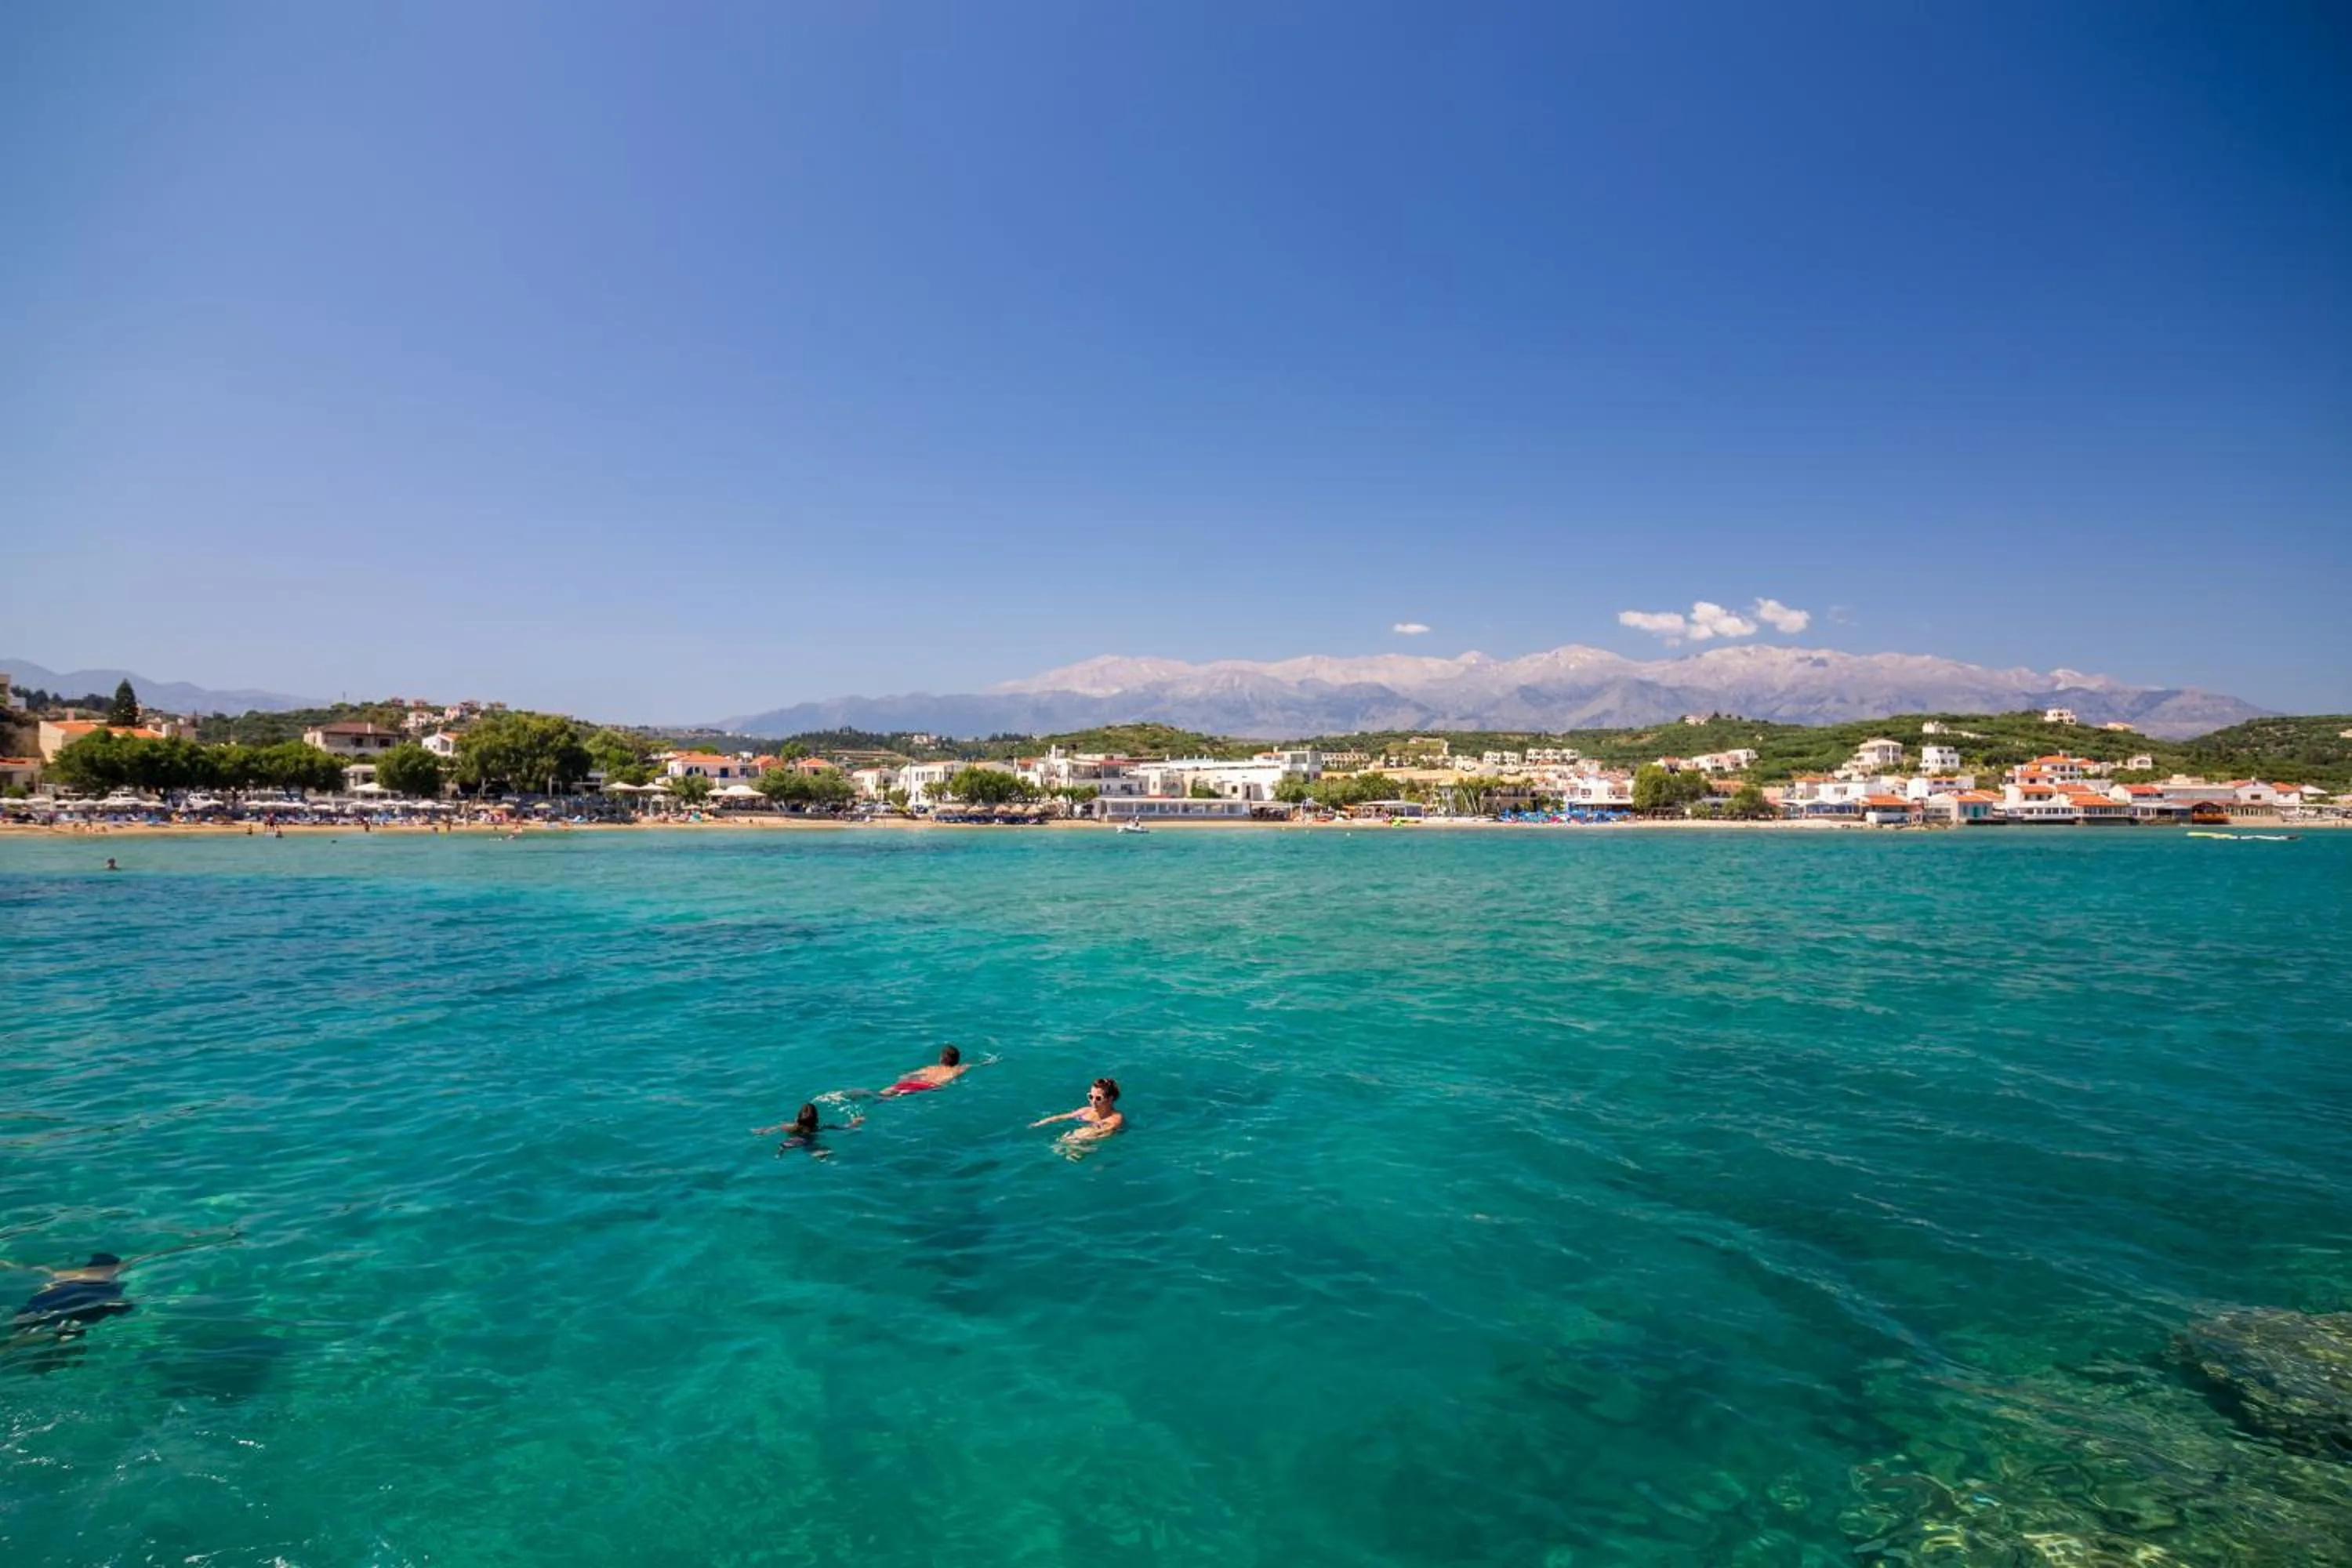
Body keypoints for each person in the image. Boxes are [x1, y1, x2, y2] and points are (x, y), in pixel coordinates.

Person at [4, 1238, 229, 1340]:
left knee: (24, 1329)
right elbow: (160, 1253)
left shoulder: (63, 1274)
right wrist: (214, 1240)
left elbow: (30, 1268)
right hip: (96, 1300)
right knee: (63, 1327)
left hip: (55, 1298)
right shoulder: (115, 1271)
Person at [752, 1102, 862, 1159]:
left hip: (793, 1141)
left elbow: (772, 1129)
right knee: (817, 1149)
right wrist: (856, 1122)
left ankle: (780, 1151)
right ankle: (821, 1157)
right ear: (817, 1119)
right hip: (808, 1141)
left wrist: (762, 1131)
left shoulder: (788, 1127)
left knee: (786, 1145)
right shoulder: (819, 1128)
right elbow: (843, 1127)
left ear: (797, 1118)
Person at [1031, 1078, 1124, 1145]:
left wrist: (1077, 1137)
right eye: (1091, 1097)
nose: (1093, 1101)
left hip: (1094, 1144)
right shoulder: (1086, 1111)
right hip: (1078, 1139)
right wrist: (1040, 1123)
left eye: (1098, 1098)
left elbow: (1106, 1130)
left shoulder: (1115, 1118)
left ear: (1110, 1099)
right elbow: (1062, 1117)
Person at [879, 1044, 967, 1097]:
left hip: (914, 1082)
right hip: (929, 1086)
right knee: (897, 1095)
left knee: (888, 1091)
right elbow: (973, 1065)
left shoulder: (931, 1068)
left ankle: (872, 1095)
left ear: (942, 1059)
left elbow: (908, 1076)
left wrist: (904, 1078)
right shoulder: (957, 1069)